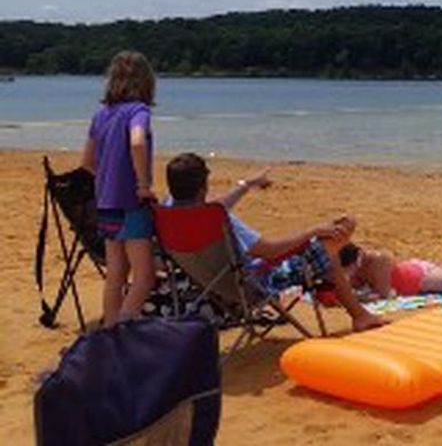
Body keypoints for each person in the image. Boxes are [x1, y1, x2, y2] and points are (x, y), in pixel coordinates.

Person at [164, 152, 388, 332]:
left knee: (328, 249)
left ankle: (358, 311)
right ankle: (360, 316)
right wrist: (312, 230)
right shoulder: (219, 218)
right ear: (204, 187)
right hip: (255, 284)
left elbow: (215, 205)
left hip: (211, 286)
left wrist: (246, 184)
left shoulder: (167, 212)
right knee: (331, 243)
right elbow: (269, 252)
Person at [81, 51, 157, 326]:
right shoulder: (138, 111)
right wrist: (143, 184)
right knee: (145, 276)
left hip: (105, 204)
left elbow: (87, 162)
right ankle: (123, 325)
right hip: (130, 203)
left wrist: (108, 178)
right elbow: (137, 142)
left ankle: (109, 328)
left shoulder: (101, 114)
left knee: (115, 272)